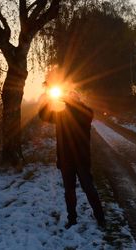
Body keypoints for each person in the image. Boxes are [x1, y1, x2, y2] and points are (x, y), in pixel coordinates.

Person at [38, 90, 105, 229]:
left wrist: (69, 101)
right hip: (67, 160)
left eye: (72, 98)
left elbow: (83, 113)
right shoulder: (61, 115)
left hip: (79, 160)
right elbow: (43, 115)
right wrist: (47, 99)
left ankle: (98, 218)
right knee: (70, 191)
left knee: (86, 189)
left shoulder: (85, 113)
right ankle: (74, 219)